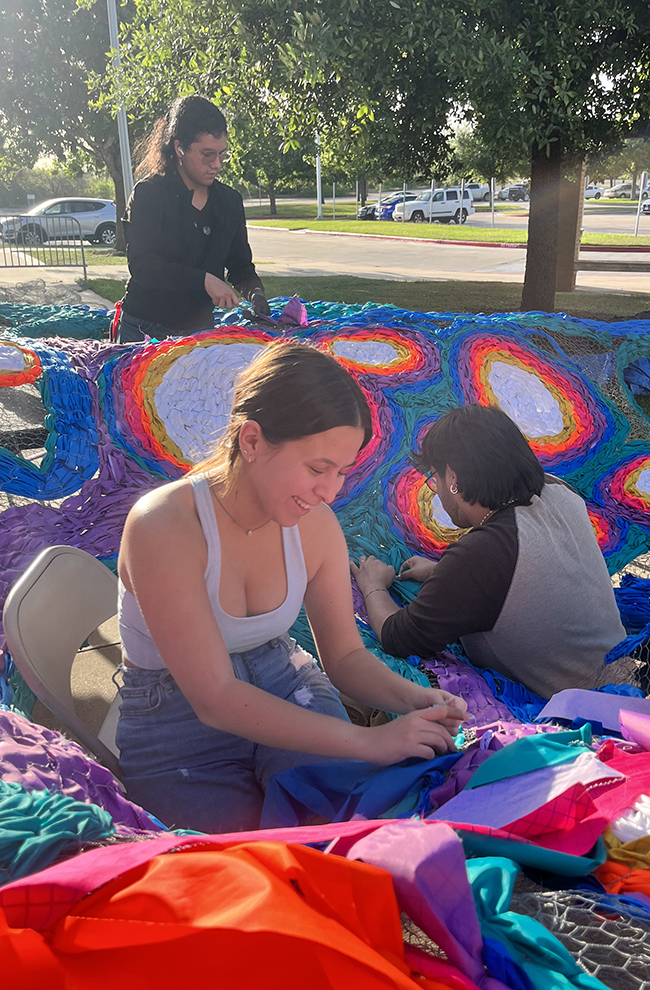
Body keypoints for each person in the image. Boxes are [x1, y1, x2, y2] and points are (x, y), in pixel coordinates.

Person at [116, 342, 467, 833]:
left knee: (341, 836)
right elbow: (215, 697)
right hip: (176, 728)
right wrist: (371, 741)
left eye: (342, 472)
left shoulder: (315, 525)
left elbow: (343, 658)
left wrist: (413, 701)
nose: (330, 492)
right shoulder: (165, 526)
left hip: (287, 686)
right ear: (253, 441)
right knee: (241, 875)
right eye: (318, 469)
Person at [351, 404, 628, 700]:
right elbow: (532, 576)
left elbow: (398, 637)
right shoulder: (559, 491)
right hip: (625, 677)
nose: (437, 491)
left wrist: (373, 586)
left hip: (585, 714)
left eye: (434, 479)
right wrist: (441, 571)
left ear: (453, 478)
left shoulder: (482, 554)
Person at [117, 95, 270, 343]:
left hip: (200, 331)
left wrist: (256, 294)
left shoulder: (229, 202)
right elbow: (144, 267)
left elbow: (240, 265)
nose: (217, 164)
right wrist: (204, 281)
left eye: (222, 154)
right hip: (144, 329)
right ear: (180, 148)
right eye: (208, 155)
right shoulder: (149, 195)